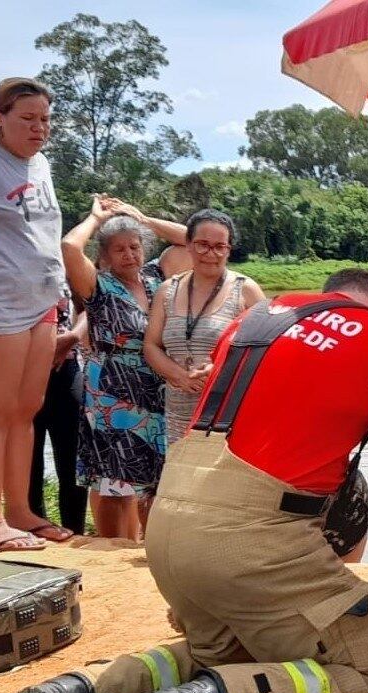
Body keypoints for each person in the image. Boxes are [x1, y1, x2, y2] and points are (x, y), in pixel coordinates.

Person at [0, 269, 368, 693]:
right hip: (250, 542)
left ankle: (79, 692)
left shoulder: (254, 319)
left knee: (235, 658)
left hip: (171, 522)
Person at [0, 77, 69, 555]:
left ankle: (20, 511)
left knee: (25, 410)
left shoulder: (39, 163)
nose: (39, 128)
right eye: (27, 119)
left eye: (44, 119)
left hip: (40, 304)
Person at [61, 197, 186, 539]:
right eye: (119, 250)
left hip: (155, 389)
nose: (129, 255)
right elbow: (70, 246)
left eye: (134, 247)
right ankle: (112, 549)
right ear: (105, 255)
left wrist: (142, 218)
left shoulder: (154, 279)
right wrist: (96, 218)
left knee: (154, 475)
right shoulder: (98, 286)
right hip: (111, 393)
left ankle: (149, 548)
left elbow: (191, 239)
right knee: (115, 479)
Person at [143, 208, 264, 447]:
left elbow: (267, 351)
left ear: (229, 250)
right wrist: (179, 376)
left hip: (229, 415)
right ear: (188, 244)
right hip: (178, 414)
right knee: (181, 482)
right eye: (202, 244)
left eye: (220, 247)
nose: (211, 253)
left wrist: (218, 370)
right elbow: (151, 345)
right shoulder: (167, 290)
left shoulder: (246, 291)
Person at [27, 283, 89, 535]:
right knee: (28, 455)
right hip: (21, 367)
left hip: (66, 367)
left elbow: (87, 308)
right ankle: (32, 525)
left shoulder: (61, 260)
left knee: (73, 457)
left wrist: (73, 337)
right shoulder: (3, 255)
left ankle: (74, 530)